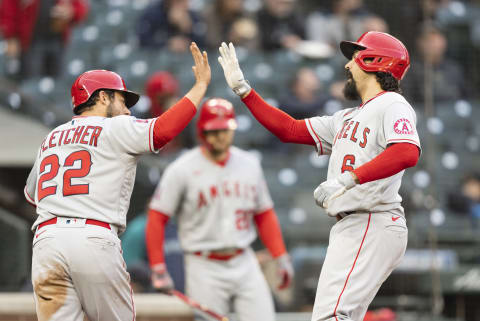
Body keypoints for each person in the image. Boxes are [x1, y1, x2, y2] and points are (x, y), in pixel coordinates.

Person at [218, 31, 421, 321]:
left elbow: (406, 153)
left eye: (354, 58)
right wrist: (244, 91)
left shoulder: (392, 104)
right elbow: (288, 130)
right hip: (357, 224)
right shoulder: (347, 117)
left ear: (374, 61)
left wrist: (349, 178)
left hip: (371, 219)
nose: (347, 66)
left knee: (330, 317)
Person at [23, 42, 210, 321]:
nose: (127, 110)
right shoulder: (115, 127)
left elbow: (32, 194)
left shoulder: (51, 137)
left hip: (46, 243)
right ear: (101, 98)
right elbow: (163, 130)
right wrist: (199, 88)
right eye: (122, 100)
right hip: (93, 238)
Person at [146, 98, 294, 321]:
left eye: (225, 129)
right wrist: (158, 266)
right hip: (203, 263)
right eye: (214, 131)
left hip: (244, 259)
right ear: (201, 132)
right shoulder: (181, 169)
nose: (220, 136)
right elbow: (157, 217)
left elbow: (263, 214)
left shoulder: (249, 163)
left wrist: (280, 256)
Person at [0, 0, 89, 78]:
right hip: (31, 42)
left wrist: (71, 11)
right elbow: (8, 9)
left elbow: (80, 8)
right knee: (31, 79)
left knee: (57, 79)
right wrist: (10, 36)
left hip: (58, 41)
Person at [136, 0, 206, 52]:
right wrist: (167, 44)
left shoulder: (193, 16)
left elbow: (204, 45)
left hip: (187, 62)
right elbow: (142, 42)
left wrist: (187, 28)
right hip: (158, 62)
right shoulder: (152, 14)